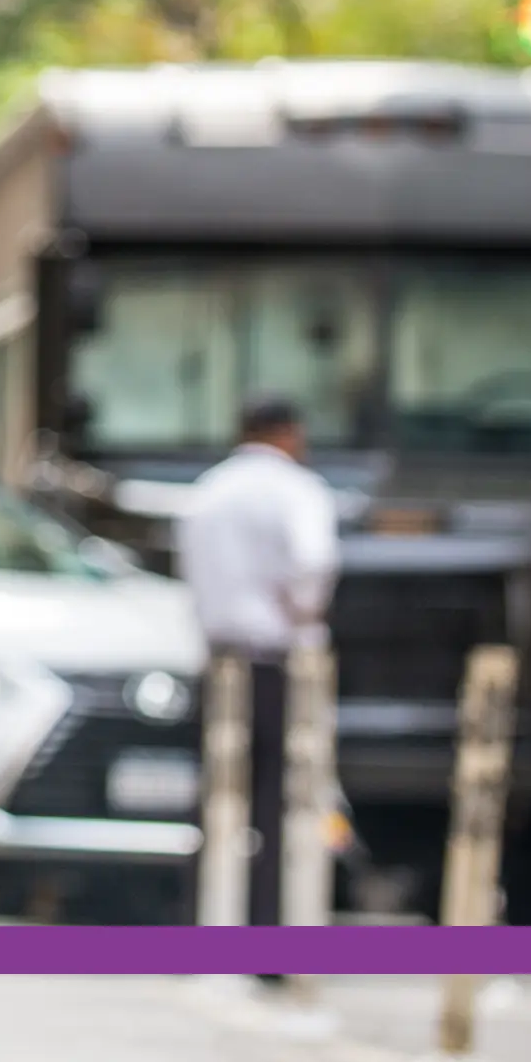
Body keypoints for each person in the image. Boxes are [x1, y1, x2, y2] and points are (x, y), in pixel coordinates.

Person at [171, 394, 341, 936]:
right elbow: (313, 563)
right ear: (289, 433)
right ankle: (268, 933)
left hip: (217, 659)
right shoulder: (299, 489)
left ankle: (204, 924)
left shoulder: (209, 490)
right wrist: (299, 611)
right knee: (278, 804)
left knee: (216, 798)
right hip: (278, 661)